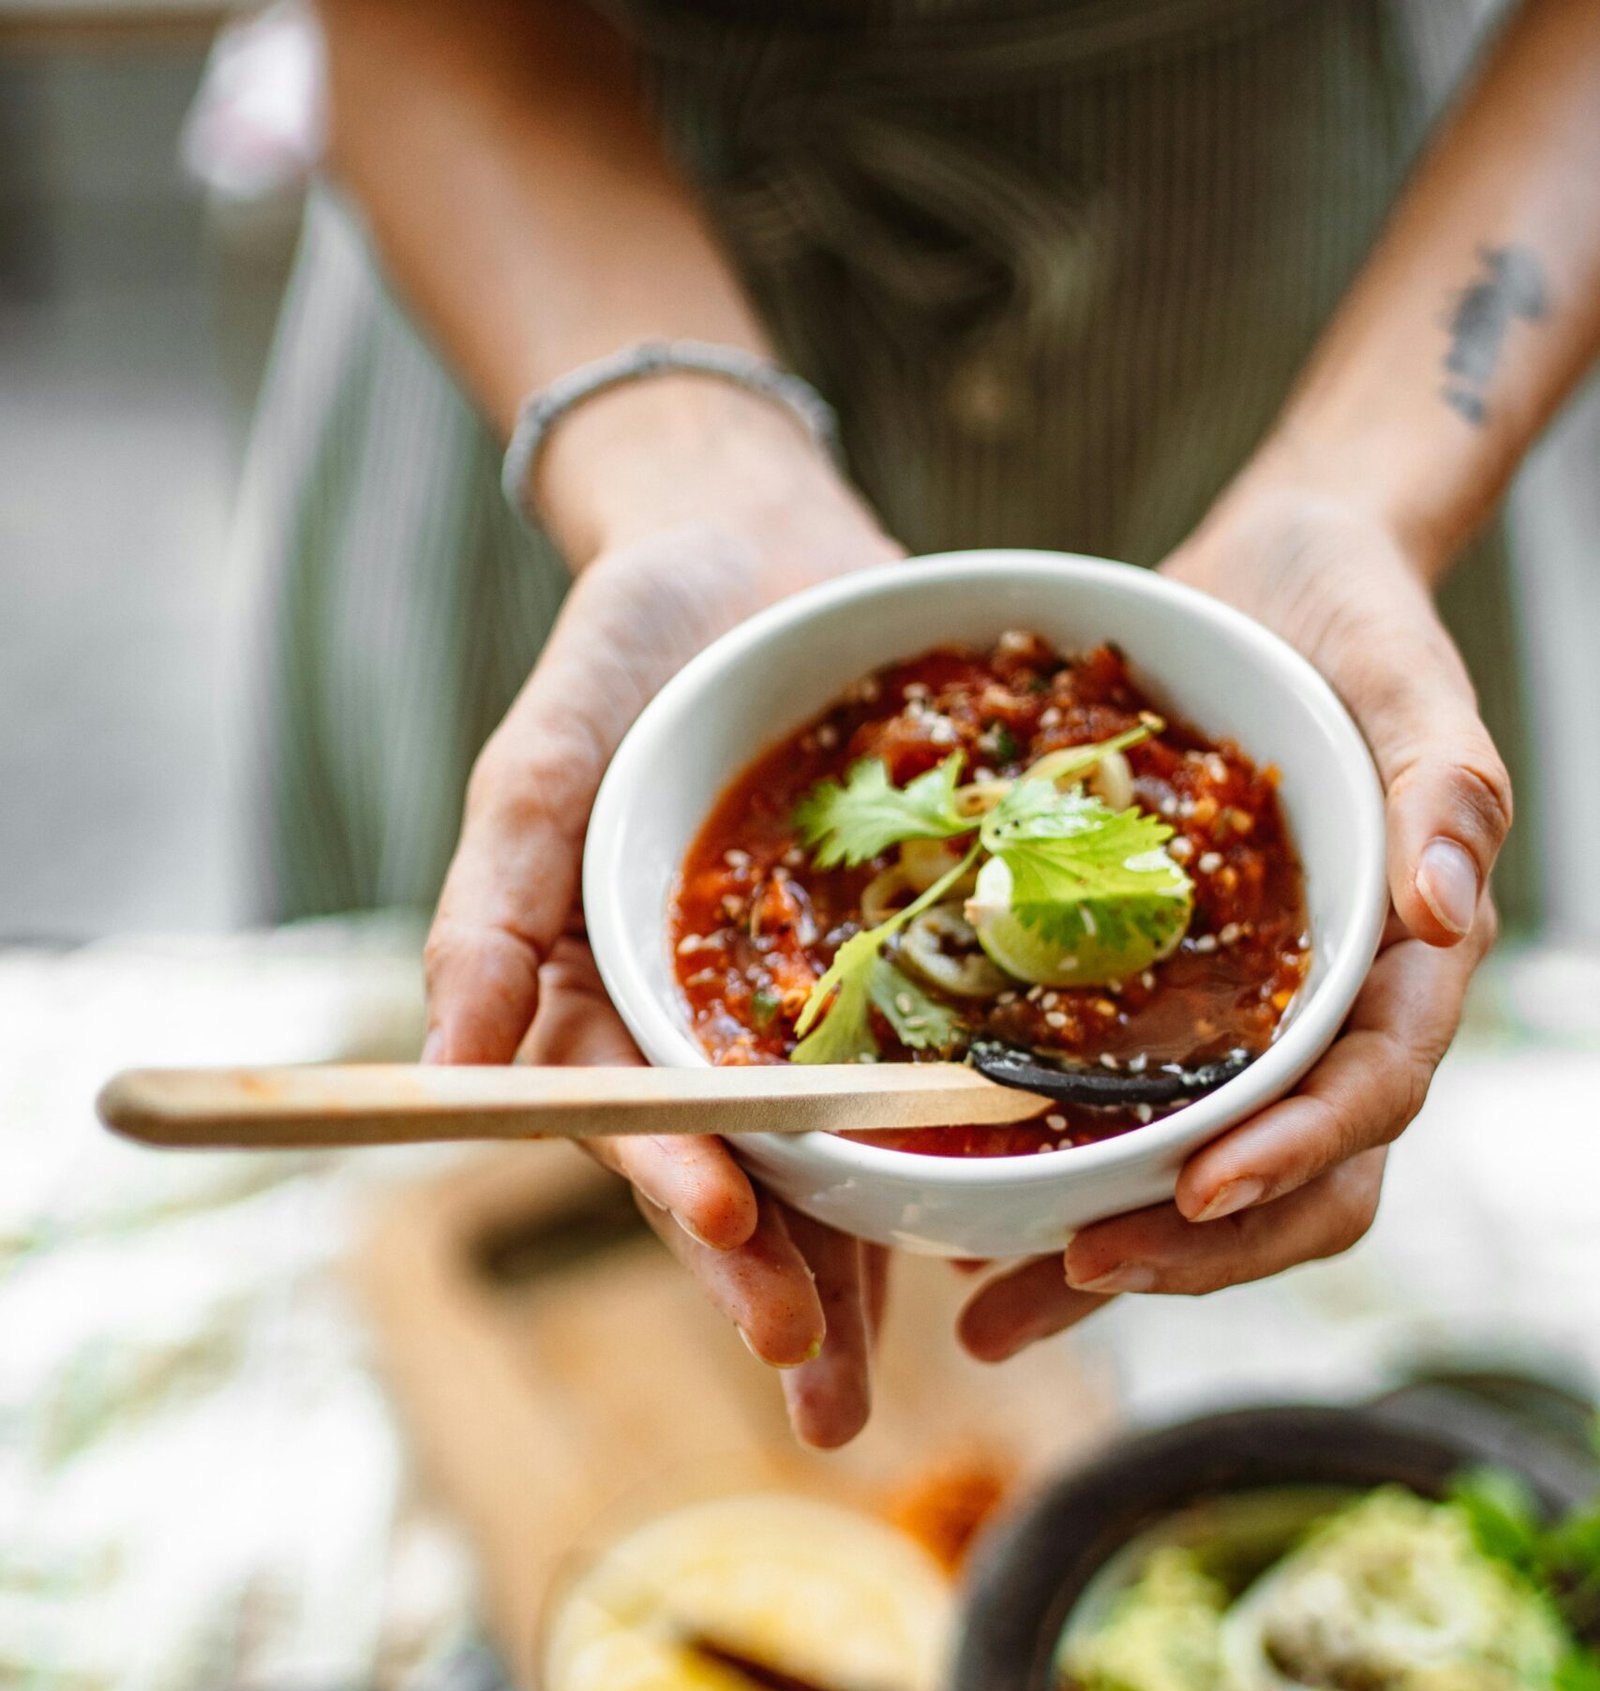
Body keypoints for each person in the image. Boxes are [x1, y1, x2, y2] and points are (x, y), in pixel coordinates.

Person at [239, 0, 1600, 1446]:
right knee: (589, 1156)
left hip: (1321, 300)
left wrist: (1364, 494)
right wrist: (670, 469)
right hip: (554, 283)